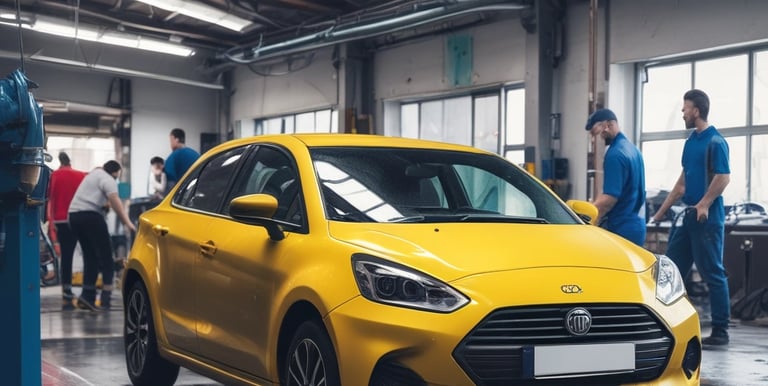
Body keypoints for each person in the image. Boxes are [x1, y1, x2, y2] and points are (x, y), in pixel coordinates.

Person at [651, 89, 731, 347]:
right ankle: (665, 321)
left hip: (707, 217)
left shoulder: (716, 142)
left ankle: (721, 330)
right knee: (671, 269)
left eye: (685, 109)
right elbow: (682, 184)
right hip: (688, 217)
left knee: (712, 272)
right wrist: (660, 213)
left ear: (696, 111)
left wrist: (705, 203)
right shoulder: (690, 143)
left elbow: (723, 176)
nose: (683, 113)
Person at [68, 160, 136, 311]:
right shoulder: (108, 178)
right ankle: (106, 299)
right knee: (107, 258)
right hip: (90, 216)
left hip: (74, 217)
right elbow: (115, 200)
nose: (117, 179)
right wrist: (128, 223)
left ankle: (87, 296)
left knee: (90, 256)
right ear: (115, 172)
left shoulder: (94, 175)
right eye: (117, 176)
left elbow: (100, 200)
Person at [585, 108, 647, 246]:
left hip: (621, 229)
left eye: (598, 133)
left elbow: (610, 198)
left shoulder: (615, 154)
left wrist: (587, 215)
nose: (599, 138)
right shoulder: (633, 149)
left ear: (607, 125)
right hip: (637, 226)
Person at [46, 152, 86, 309]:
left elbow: (51, 197)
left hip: (61, 220)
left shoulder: (55, 175)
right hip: (78, 218)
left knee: (66, 256)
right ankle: (87, 289)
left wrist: (51, 223)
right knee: (86, 253)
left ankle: (67, 289)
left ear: (60, 162)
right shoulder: (80, 175)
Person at [165, 128, 200, 192]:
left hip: (181, 196)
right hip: (196, 192)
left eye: (171, 141)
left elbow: (170, 182)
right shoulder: (196, 155)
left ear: (176, 139)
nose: (170, 144)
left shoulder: (173, 157)